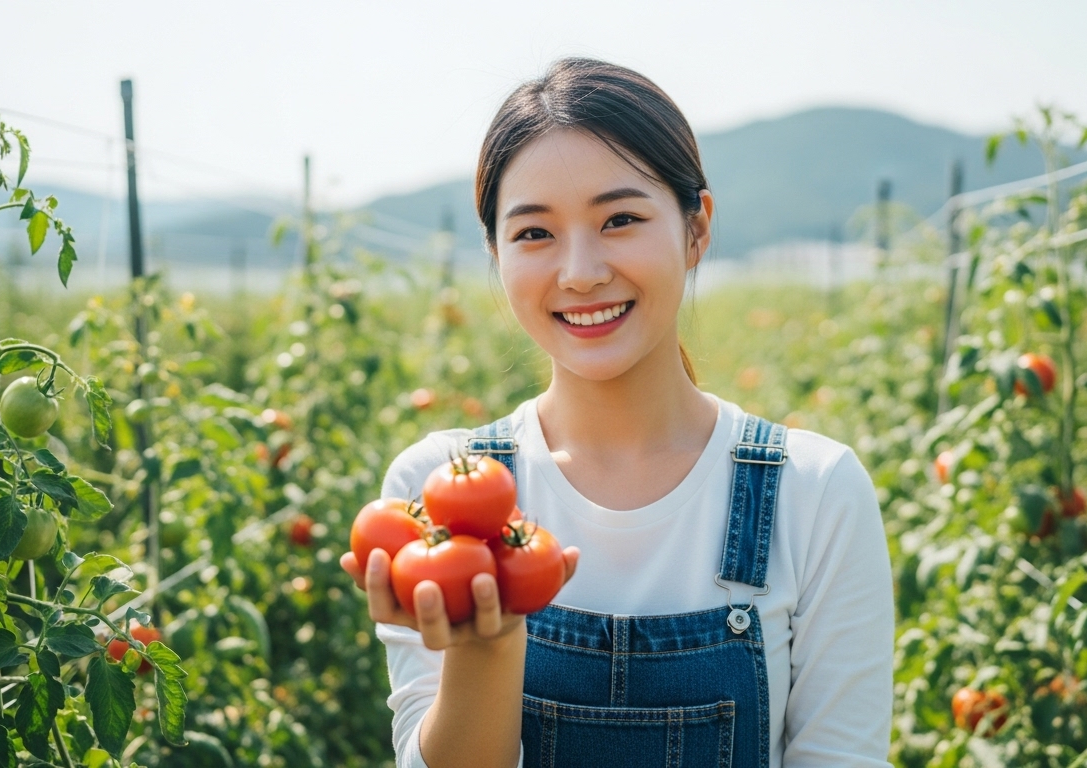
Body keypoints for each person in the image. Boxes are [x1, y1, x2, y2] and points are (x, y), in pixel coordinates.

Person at [340, 57, 894, 768]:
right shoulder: (436, 498)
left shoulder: (813, 493)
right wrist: (488, 645)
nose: (580, 272)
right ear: (495, 253)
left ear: (697, 229)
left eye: (621, 219)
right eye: (534, 233)